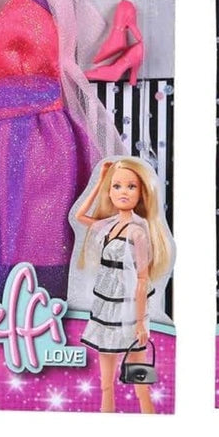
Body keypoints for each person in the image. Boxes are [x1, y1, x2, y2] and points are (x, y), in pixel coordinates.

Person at [74, 158, 174, 414]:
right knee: (105, 385)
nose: (123, 192)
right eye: (117, 186)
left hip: (129, 309)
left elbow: (142, 280)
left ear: (141, 193)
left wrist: (140, 322)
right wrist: (100, 183)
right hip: (105, 307)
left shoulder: (138, 232)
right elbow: (79, 216)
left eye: (131, 187)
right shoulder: (109, 225)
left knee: (140, 382)